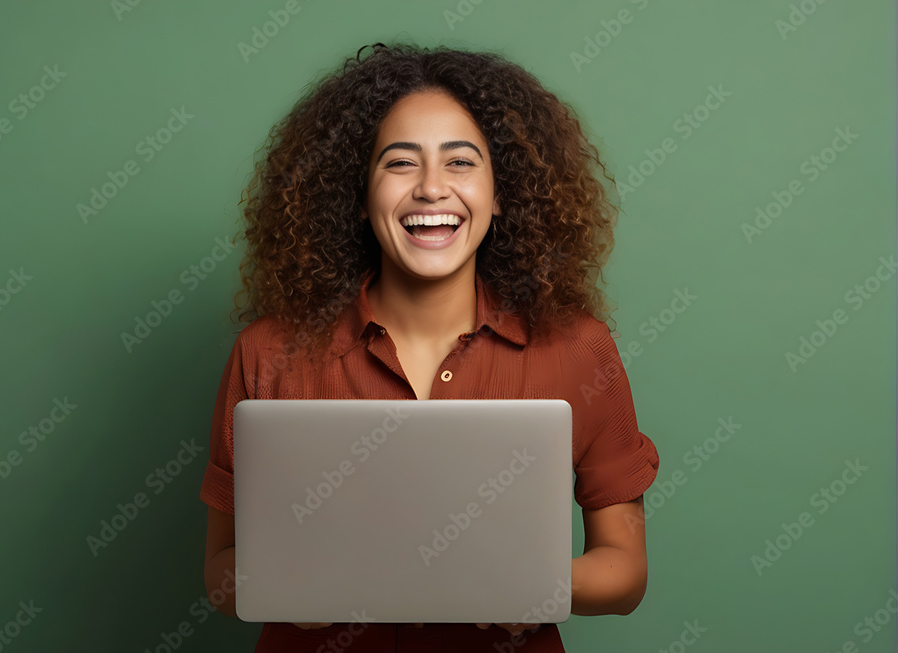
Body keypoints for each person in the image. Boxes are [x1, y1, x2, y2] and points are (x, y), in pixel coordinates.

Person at [200, 42, 660, 652]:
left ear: (502, 195)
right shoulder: (267, 353)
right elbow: (220, 574)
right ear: (359, 199)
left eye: (461, 162)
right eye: (399, 163)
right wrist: (287, 588)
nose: (431, 189)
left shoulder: (578, 351)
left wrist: (524, 585)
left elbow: (625, 573)